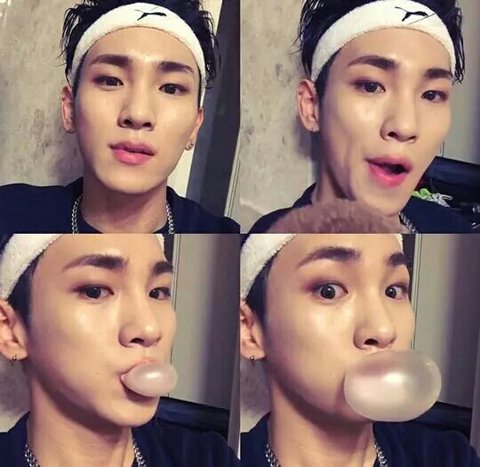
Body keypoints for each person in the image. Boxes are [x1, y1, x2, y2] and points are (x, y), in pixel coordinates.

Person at [240, 233, 480, 466]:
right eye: (329, 291)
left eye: (393, 290)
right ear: (249, 332)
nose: (384, 330)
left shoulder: (449, 457)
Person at [0, 234, 240, 466]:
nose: (150, 328)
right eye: (95, 291)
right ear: (10, 331)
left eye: (157, 292)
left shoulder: (209, 457)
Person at [0, 0, 239, 234]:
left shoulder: (226, 244)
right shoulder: (10, 215)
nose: (138, 114)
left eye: (170, 88)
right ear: (70, 108)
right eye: (111, 81)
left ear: (195, 126)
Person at [249, 0, 472, 233]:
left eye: (431, 94)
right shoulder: (267, 239)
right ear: (311, 105)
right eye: (371, 86)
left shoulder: (455, 229)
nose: (405, 126)